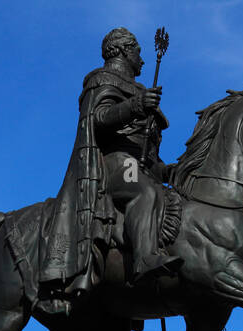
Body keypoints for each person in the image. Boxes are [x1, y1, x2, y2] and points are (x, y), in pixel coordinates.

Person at [37, 26, 178, 314]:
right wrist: (136, 105)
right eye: (138, 51)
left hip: (134, 166)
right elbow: (97, 120)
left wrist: (168, 172)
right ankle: (144, 260)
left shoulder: (140, 91)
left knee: (171, 197)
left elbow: (148, 158)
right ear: (124, 50)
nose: (142, 59)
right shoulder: (101, 79)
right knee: (146, 192)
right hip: (111, 163)